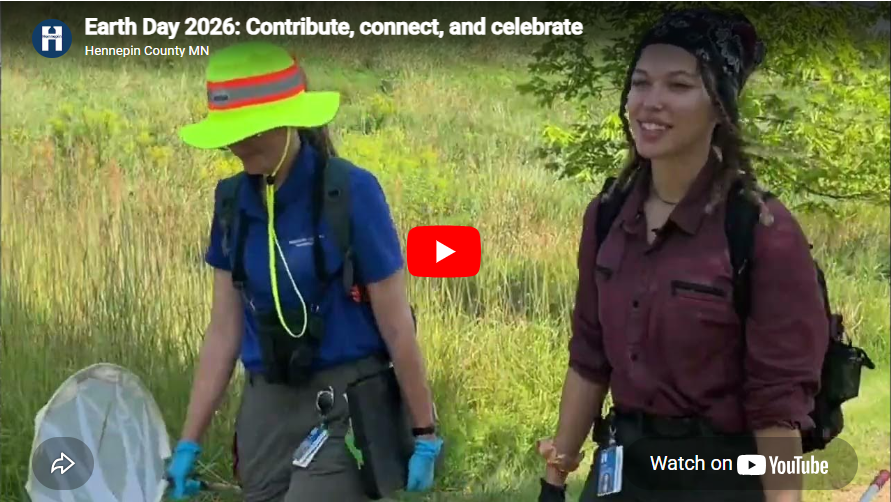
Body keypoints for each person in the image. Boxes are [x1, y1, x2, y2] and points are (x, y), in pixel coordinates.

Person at [536, 8, 829, 502]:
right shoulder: (607, 216)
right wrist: (555, 478)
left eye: (678, 85)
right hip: (622, 469)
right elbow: (589, 355)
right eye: (640, 83)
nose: (651, 103)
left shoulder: (761, 233)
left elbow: (776, 405)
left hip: (717, 473)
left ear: (720, 106)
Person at [164, 41, 444, 502]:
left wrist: (424, 432)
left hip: (346, 406)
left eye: (252, 131)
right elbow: (223, 331)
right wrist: (188, 442)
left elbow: (397, 325)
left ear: (288, 120)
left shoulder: (352, 192)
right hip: (266, 410)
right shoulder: (231, 203)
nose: (239, 144)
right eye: (231, 132)